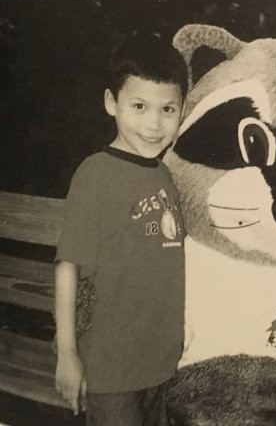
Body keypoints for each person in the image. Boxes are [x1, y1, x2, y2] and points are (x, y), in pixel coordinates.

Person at [54, 32, 188, 425]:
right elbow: (68, 267)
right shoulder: (95, 174)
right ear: (112, 103)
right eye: (140, 106)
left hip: (162, 366)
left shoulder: (165, 174)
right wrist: (67, 354)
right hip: (111, 372)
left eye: (168, 109)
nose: (154, 124)